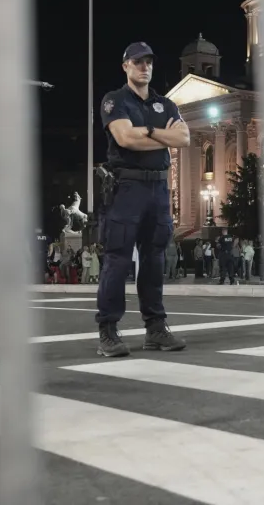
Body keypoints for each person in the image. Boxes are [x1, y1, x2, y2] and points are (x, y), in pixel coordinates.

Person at [95, 42, 188, 356]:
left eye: (148, 61)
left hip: (158, 189)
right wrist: (160, 134)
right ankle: (108, 331)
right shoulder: (115, 100)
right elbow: (124, 138)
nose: (144, 67)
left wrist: (144, 131)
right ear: (126, 66)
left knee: (154, 259)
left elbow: (183, 138)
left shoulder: (167, 104)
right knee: (117, 259)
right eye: (137, 62)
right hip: (126, 188)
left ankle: (156, 329)